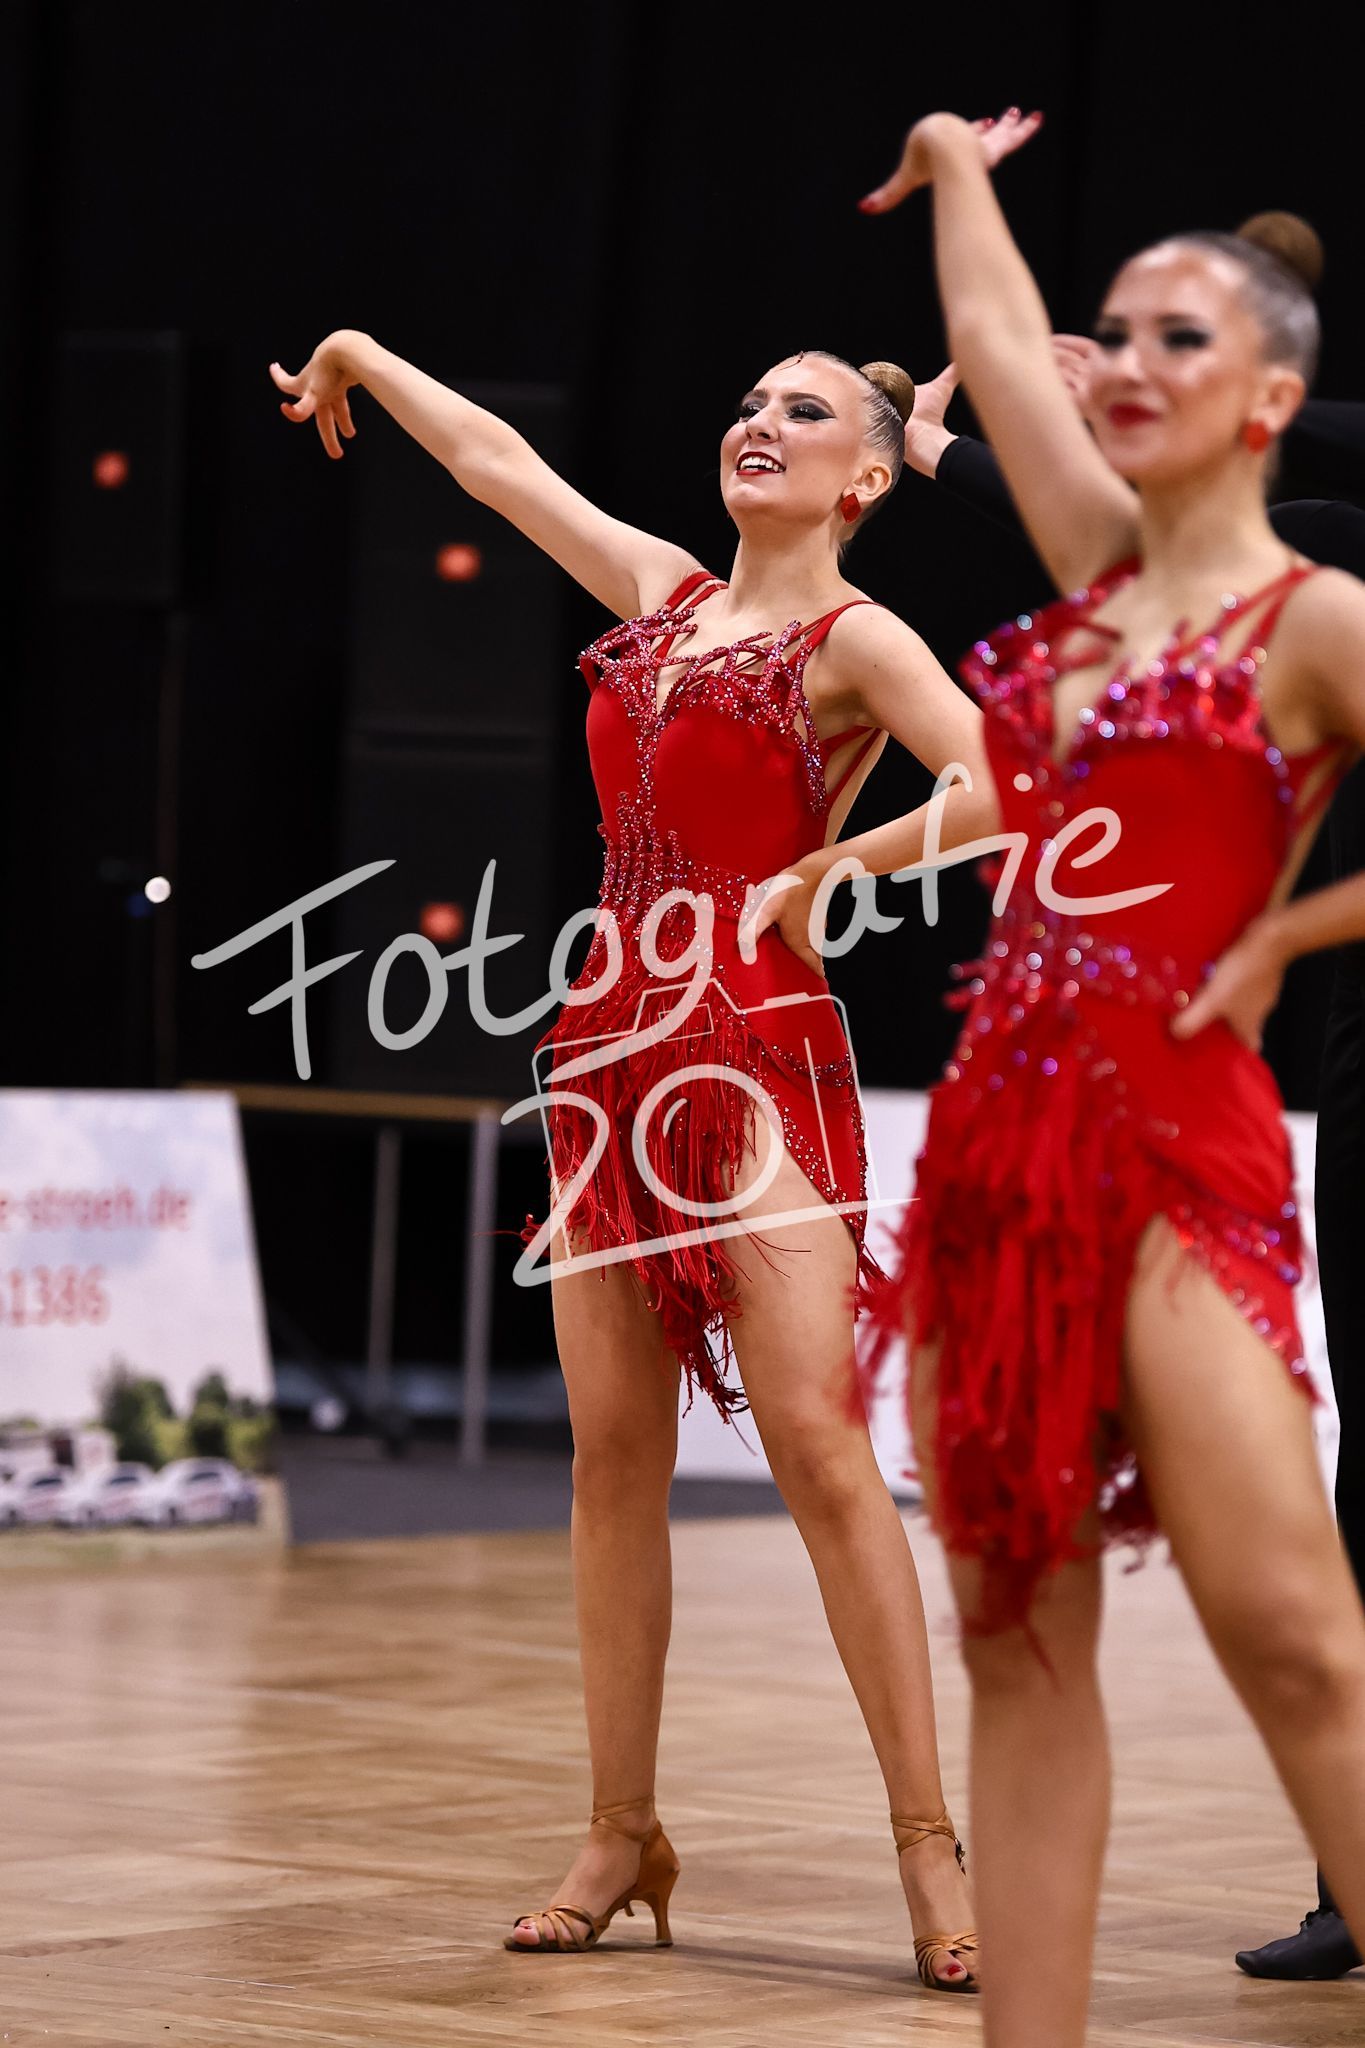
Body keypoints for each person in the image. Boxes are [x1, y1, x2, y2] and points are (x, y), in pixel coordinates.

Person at [267, 322, 1005, 1984]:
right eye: (748, 401)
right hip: (607, 1051)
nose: (759, 422)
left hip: (756, 1051)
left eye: (802, 411)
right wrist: (364, 357)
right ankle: (621, 1831)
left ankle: (925, 1843)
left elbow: (998, 780)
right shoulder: (662, 595)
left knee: (816, 1442)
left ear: (864, 478)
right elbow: (498, 469)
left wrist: (836, 871)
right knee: (610, 1460)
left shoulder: (855, 637)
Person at [852, 104, 1365, 2045]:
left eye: (1177, 337)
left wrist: (1287, 938)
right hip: (993, 1153)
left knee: (1293, 1640)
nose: (1125, 359)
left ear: (1270, 398)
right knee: (1015, 1641)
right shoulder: (1089, 572)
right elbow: (993, 339)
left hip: (1177, 1145)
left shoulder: (1313, 618)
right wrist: (953, 166)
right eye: (1117, 329)